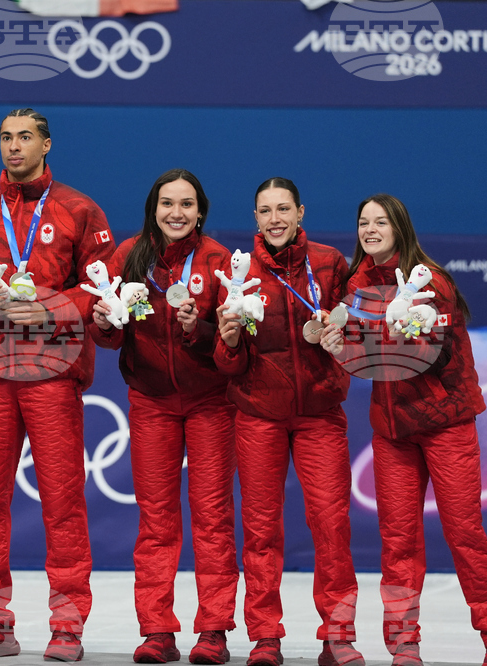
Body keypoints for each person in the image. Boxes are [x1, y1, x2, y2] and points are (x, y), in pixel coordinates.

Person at [0, 108, 115, 662]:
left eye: (24, 138)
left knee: (63, 504)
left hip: (52, 374)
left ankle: (67, 628)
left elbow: (105, 288)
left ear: (46, 144)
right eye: (5, 138)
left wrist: (50, 306)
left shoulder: (79, 210)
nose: (13, 147)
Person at [329, 194, 487, 666]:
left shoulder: (430, 280)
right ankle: (403, 644)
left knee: (464, 533)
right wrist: (337, 345)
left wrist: (416, 330)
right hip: (393, 434)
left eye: (380, 222)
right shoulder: (355, 284)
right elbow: (363, 364)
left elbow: (432, 355)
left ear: (400, 227)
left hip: (445, 425)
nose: (369, 229)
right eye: (362, 222)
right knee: (398, 541)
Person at [89, 170, 238, 665]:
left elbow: (235, 346)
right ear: (153, 207)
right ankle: (157, 630)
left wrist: (203, 327)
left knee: (213, 520)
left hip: (211, 403)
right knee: (156, 522)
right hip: (151, 402)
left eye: (187, 204)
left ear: (201, 210)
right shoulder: (129, 256)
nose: (177, 213)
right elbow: (107, 334)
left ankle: (213, 630)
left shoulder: (217, 261)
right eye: (167, 203)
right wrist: (104, 323)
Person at [213, 177, 363, 666]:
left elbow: (354, 335)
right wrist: (229, 342)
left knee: (331, 525)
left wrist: (343, 347)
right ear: (254, 217)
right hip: (259, 414)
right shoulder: (238, 270)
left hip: (320, 415)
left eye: (283, 209)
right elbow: (226, 363)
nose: (274, 219)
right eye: (264, 211)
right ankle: (265, 637)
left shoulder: (329, 263)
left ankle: (338, 635)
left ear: (300, 212)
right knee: (260, 530)